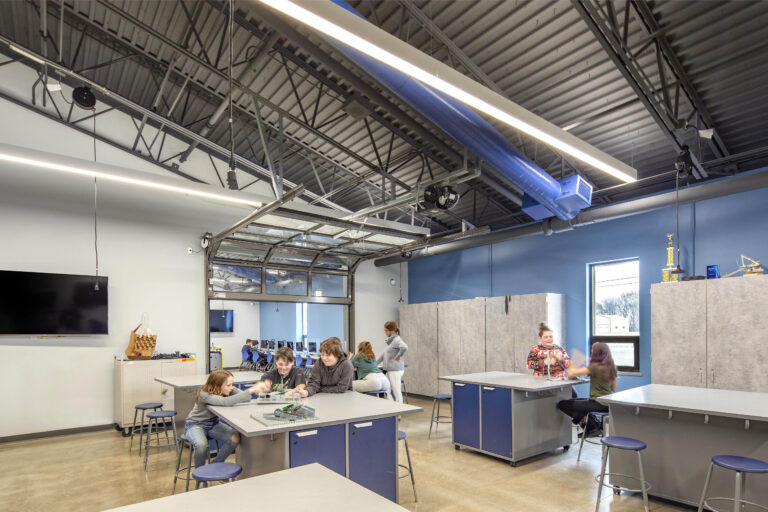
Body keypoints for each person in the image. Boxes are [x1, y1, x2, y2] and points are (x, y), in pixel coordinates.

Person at [185, 369, 259, 469]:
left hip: (213, 423)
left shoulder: (227, 390)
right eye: (228, 385)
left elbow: (246, 398)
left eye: (232, 384)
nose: (231, 387)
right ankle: (201, 475)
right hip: (195, 424)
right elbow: (226, 402)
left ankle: (216, 465)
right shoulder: (204, 394)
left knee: (234, 438)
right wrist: (252, 390)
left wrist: (235, 390)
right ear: (217, 385)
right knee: (201, 445)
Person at [557, 342, 618, 437]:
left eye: (592, 351)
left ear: (596, 353)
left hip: (597, 403)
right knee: (574, 402)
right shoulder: (612, 367)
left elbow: (572, 373)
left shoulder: (594, 368)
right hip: (607, 404)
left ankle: (591, 427)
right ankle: (595, 424)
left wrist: (570, 363)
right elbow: (613, 388)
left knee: (563, 404)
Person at [378, 320, 408, 403]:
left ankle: (399, 413)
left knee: (396, 391)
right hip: (389, 370)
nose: (385, 332)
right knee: (387, 391)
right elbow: (384, 354)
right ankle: (392, 410)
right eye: (384, 330)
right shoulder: (391, 341)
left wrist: (397, 357)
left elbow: (405, 347)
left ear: (392, 331)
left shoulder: (397, 339)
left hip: (395, 370)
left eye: (386, 330)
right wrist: (375, 363)